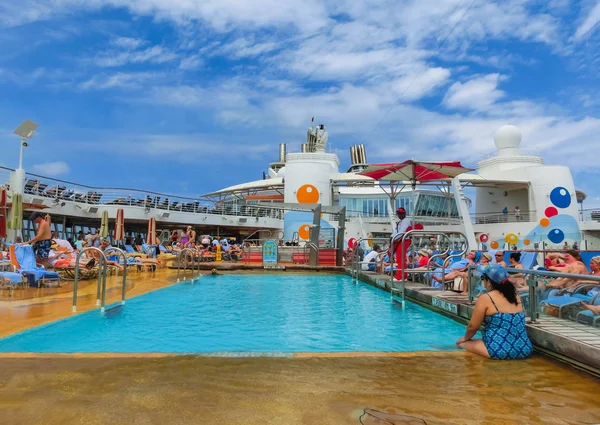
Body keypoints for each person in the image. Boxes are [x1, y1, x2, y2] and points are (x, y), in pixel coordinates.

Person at [456, 265, 533, 360]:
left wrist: (465, 338)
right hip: (525, 349)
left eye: (483, 279)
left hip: (499, 351)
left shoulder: (486, 298)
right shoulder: (515, 296)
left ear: (489, 282)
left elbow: (473, 326)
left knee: (461, 343)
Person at [392, 207, 412, 281]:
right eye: (398, 214)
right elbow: (396, 231)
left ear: (404, 214)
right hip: (399, 240)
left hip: (404, 240)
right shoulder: (400, 222)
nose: (399, 215)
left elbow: (402, 232)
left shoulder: (406, 221)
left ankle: (400, 276)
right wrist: (392, 237)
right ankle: (404, 276)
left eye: (400, 213)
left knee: (400, 258)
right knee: (400, 258)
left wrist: (394, 238)